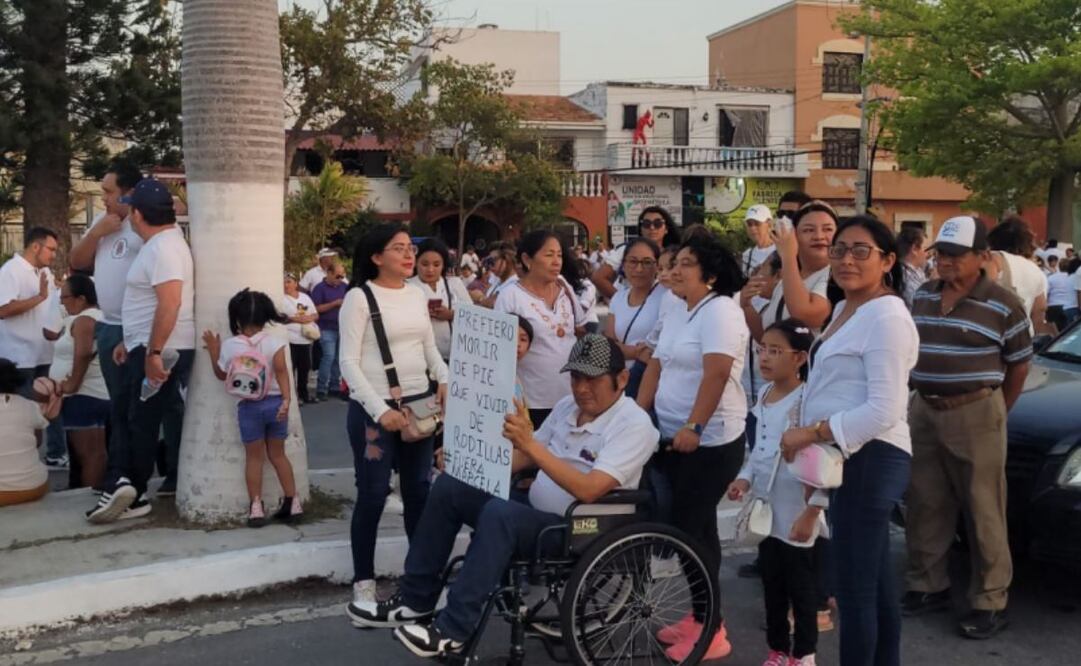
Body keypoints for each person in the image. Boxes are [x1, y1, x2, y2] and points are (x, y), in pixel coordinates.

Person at [349, 335, 658, 659]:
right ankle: (415, 599)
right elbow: (522, 459)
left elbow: (590, 489)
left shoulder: (634, 424)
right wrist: (468, 462)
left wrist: (531, 445)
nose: (581, 388)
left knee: (500, 514)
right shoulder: (568, 407)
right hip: (536, 512)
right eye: (576, 377)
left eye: (592, 380)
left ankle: (453, 631)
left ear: (621, 379)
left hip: (581, 527)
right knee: (450, 487)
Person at [780, 215, 918, 666]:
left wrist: (813, 434)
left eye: (861, 251)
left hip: (872, 457)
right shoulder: (845, 309)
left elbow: (885, 409)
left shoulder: (888, 317)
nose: (846, 259)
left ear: (888, 260)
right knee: (874, 587)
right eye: (839, 250)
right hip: (847, 458)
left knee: (854, 592)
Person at [903, 215, 1032, 640]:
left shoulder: (1003, 303)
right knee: (925, 501)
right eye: (942, 253)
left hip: (976, 411)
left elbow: (1019, 364)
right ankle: (927, 584)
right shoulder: (923, 295)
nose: (945, 262)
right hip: (925, 409)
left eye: (957, 255)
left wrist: (997, 409)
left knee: (984, 509)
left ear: (982, 257)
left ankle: (990, 599)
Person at [636, 234, 749, 661]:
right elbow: (656, 365)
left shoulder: (720, 311)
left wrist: (695, 425)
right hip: (669, 436)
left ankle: (711, 628)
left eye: (687, 263)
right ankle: (700, 616)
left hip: (710, 441)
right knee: (691, 530)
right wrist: (633, 417)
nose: (675, 269)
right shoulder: (679, 307)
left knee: (695, 531)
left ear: (712, 275)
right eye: (676, 261)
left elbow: (716, 375)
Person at [338, 224, 449, 610]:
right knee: (371, 495)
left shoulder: (417, 295)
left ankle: (419, 581)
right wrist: (380, 410)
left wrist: (445, 379)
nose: (408, 255)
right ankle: (363, 582)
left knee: (419, 493)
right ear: (375, 257)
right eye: (398, 248)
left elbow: (428, 347)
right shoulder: (358, 297)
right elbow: (348, 362)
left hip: (420, 407)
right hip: (375, 411)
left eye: (410, 248)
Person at [86, 178, 194, 523]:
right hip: (145, 345)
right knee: (134, 417)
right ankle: (126, 487)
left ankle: (132, 492)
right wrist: (129, 341)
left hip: (162, 349)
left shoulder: (164, 249)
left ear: (136, 213)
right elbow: (148, 304)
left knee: (140, 422)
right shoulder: (160, 244)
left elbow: (170, 303)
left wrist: (153, 353)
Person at [728, 319, 822, 666]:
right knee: (773, 583)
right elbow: (760, 450)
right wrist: (744, 479)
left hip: (798, 506)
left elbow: (824, 465)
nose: (764, 358)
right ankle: (778, 650)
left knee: (802, 585)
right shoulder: (764, 395)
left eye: (775, 351)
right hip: (767, 507)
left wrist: (813, 511)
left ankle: (805, 654)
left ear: (799, 358)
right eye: (761, 349)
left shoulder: (807, 400)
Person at [69, 162, 146, 477]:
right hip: (109, 325)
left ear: (128, 194)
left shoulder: (143, 225)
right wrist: (96, 233)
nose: (104, 198)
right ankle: (119, 471)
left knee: (140, 405)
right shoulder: (103, 223)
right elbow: (76, 261)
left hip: (138, 326)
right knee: (117, 405)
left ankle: (144, 469)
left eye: (108, 191)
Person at [202, 290, 302, 527]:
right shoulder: (275, 343)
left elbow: (221, 374)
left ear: (237, 317)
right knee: (278, 455)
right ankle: (293, 502)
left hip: (249, 407)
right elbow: (282, 372)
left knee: (254, 458)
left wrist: (214, 350)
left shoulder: (230, 346)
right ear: (266, 317)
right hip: (276, 404)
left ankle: (256, 507)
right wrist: (286, 401)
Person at [494, 230, 586, 426]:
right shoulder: (510, 296)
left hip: (570, 396)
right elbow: (500, 350)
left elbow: (579, 328)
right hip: (531, 400)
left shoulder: (565, 287)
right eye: (548, 255)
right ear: (527, 259)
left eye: (559, 255)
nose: (556, 262)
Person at [743, 201, 836, 343]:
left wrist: (788, 256)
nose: (819, 236)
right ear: (795, 236)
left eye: (828, 229)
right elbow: (766, 337)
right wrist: (746, 305)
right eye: (808, 230)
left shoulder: (833, 276)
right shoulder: (788, 278)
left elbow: (803, 315)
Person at [49, 275, 111, 489]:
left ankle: (89, 497)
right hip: (88, 395)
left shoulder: (85, 319)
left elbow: (84, 352)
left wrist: (72, 384)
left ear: (81, 298)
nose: (62, 302)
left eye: (65, 297)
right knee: (86, 454)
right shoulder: (95, 316)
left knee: (91, 454)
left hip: (85, 395)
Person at [604, 237, 664, 399]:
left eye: (646, 262)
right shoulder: (618, 298)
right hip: (621, 380)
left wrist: (629, 351)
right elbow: (609, 343)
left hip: (654, 382)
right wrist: (634, 352)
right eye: (633, 261)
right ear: (623, 265)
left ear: (657, 266)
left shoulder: (667, 296)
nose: (639, 269)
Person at [0, 227, 58, 393]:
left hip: (46, 357)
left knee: (45, 413)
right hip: (20, 360)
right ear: (35, 247)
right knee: (25, 413)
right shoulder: (10, 271)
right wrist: (39, 297)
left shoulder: (45, 271)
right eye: (51, 249)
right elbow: (3, 310)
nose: (54, 255)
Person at [591, 206, 681, 300]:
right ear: (641, 229)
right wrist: (622, 302)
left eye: (657, 223)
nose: (652, 227)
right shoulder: (625, 250)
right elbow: (599, 278)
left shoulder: (675, 254)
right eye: (646, 224)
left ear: (666, 229)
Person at [985, 217, 1053, 336]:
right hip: (1022, 339)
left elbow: (980, 292)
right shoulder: (1036, 270)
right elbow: (1040, 309)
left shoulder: (993, 259)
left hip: (992, 334)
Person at [407, 238, 472, 361]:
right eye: (425, 264)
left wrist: (451, 314)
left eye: (436, 264)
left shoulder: (454, 284)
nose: (430, 270)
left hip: (456, 357)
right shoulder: (407, 286)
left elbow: (473, 316)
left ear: (443, 265)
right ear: (416, 262)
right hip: (421, 359)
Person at [310, 261, 348, 401]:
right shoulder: (320, 288)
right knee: (328, 356)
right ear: (329, 273)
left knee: (339, 359)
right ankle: (321, 388)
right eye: (338, 276)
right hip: (326, 327)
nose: (340, 279)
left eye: (342, 276)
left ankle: (334, 387)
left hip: (342, 327)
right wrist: (334, 304)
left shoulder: (344, 287)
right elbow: (315, 309)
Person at [281, 273, 318, 405]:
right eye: (284, 282)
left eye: (289, 281)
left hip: (305, 339)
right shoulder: (281, 299)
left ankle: (304, 393)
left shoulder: (305, 297)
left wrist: (309, 318)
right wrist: (295, 319)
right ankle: (292, 396)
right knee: (292, 367)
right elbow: (280, 318)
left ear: (296, 283)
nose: (286, 285)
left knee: (305, 367)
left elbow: (315, 314)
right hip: (290, 338)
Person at [741, 204, 777, 277]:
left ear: (769, 224)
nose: (753, 228)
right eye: (749, 224)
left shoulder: (782, 251)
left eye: (757, 224)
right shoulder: (747, 255)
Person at [896, 226, 928, 307]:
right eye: (925, 249)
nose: (927, 254)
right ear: (914, 249)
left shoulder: (918, 271)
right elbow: (922, 304)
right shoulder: (903, 275)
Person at [1046, 257, 1074, 331]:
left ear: (1059, 266)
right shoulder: (1072, 278)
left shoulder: (1051, 278)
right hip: (1069, 306)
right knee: (1069, 331)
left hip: (1053, 306)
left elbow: (1047, 293)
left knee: (1055, 332)